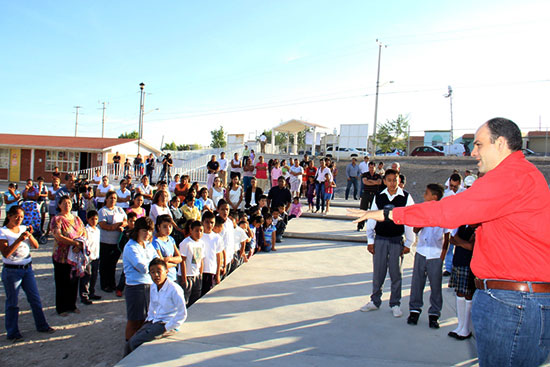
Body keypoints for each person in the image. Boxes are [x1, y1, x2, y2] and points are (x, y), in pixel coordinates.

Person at [350, 117, 550, 366]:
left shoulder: (511, 177)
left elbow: (449, 211)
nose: (473, 151)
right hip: (512, 299)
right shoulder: (518, 176)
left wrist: (390, 214)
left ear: (500, 144)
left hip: (514, 303)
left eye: (478, 144)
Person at [359, 169, 414, 317]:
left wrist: (409, 242)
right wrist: (370, 240)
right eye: (389, 180)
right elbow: (372, 218)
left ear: (399, 181)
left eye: (394, 180)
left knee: (396, 273)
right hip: (381, 239)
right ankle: (375, 300)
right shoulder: (379, 197)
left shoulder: (406, 198)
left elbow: (409, 221)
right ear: (384, 181)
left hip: (396, 239)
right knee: (378, 272)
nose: (392, 183)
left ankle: (395, 303)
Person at [1, 206, 55, 342]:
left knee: (35, 298)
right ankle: (12, 332)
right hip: (12, 270)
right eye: (16, 217)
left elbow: (36, 246)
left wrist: (29, 236)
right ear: (9, 216)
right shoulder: (3, 232)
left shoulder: (24, 228)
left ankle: (42, 325)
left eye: (21, 217)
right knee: (13, 302)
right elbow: (6, 253)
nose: (19, 220)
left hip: (27, 268)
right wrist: (19, 239)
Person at [407, 184, 450, 329]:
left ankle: (434, 313)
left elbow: (447, 236)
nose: (424, 195)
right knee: (417, 282)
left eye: (427, 193)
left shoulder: (443, 214)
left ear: (435, 197)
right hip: (421, 252)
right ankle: (414, 310)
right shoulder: (422, 210)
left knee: (435, 286)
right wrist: (423, 221)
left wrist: (442, 256)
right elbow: (415, 229)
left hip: (435, 255)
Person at [125, 258, 187, 355]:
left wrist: (167, 327)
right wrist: (148, 321)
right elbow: (152, 306)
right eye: (152, 272)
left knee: (135, 342)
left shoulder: (174, 289)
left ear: (166, 271)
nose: (156, 275)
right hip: (154, 321)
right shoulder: (153, 286)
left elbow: (182, 313)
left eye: (159, 271)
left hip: (166, 323)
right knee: (131, 341)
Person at [122, 216, 157, 341]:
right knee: (134, 320)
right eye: (144, 230)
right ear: (137, 230)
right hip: (136, 287)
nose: (147, 234)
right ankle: (128, 346)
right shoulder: (131, 247)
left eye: (149, 231)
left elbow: (158, 261)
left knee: (145, 319)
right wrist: (153, 265)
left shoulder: (148, 245)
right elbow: (143, 268)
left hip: (149, 285)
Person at [50, 196, 86, 315]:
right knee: (62, 281)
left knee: (73, 281)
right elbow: (58, 236)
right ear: (59, 205)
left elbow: (84, 232)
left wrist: (80, 244)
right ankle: (61, 308)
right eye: (64, 203)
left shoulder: (76, 218)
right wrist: (74, 243)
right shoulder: (57, 219)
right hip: (62, 255)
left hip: (75, 254)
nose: (67, 205)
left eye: (69, 203)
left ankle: (72, 305)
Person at [98, 191, 128, 293]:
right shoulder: (102, 211)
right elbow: (104, 225)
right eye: (111, 198)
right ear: (106, 199)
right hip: (105, 242)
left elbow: (125, 221)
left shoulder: (119, 209)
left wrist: (121, 225)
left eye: (115, 198)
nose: (113, 200)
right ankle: (104, 284)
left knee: (112, 264)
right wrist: (116, 226)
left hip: (116, 242)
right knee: (104, 264)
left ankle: (112, 283)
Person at [78, 210, 102, 305]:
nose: (94, 221)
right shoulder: (85, 230)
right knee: (86, 276)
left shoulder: (98, 230)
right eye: (92, 219)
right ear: (87, 219)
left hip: (96, 256)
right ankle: (84, 295)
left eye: (96, 219)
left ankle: (92, 292)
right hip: (87, 257)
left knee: (94, 276)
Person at [179, 220, 205, 307]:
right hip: (187, 276)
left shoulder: (201, 243)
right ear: (191, 230)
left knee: (195, 298)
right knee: (185, 300)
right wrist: (184, 278)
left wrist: (200, 274)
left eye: (201, 231)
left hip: (196, 275)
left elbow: (201, 259)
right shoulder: (186, 243)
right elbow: (182, 261)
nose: (199, 233)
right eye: (196, 230)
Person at [152, 214, 182, 283]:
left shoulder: (171, 239)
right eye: (165, 227)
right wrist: (174, 264)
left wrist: (169, 259)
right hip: (163, 278)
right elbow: (160, 263)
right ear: (159, 227)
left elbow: (179, 258)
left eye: (170, 226)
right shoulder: (155, 242)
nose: (168, 229)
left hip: (173, 275)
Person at [201, 211, 224, 296]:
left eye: (212, 222)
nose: (209, 225)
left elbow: (219, 256)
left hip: (210, 270)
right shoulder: (198, 236)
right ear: (202, 222)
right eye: (207, 222)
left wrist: (218, 273)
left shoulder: (217, 238)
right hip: (198, 271)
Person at [357, 162, 382, 231]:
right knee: (363, 210)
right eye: (370, 167)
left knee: (374, 211)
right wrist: (374, 182)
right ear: (368, 167)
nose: (371, 169)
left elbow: (379, 182)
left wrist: (370, 181)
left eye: (373, 167)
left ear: (375, 167)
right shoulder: (365, 174)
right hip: (366, 194)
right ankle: (360, 226)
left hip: (374, 194)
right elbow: (365, 182)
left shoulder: (378, 175)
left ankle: (373, 227)